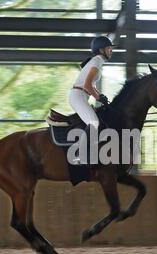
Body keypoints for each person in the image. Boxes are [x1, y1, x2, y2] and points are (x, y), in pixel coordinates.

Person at [68, 36, 114, 165]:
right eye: (109, 48)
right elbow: (87, 85)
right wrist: (99, 97)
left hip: (81, 95)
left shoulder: (96, 61)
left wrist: (101, 96)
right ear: (101, 50)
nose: (111, 51)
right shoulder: (97, 62)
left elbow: (90, 86)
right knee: (93, 122)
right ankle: (79, 155)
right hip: (78, 96)